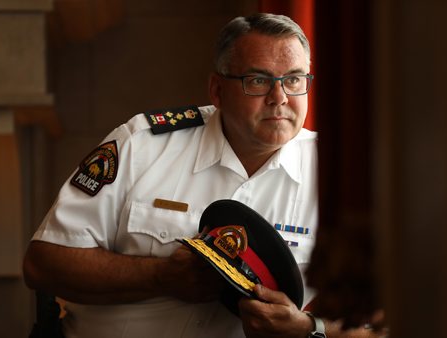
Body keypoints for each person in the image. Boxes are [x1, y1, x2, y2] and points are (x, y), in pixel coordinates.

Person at [24, 13, 380, 338]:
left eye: (294, 79)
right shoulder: (144, 145)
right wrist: (160, 277)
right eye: (258, 80)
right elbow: (43, 265)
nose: (279, 97)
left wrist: (308, 328)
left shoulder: (340, 177)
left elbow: (387, 320)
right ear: (217, 90)